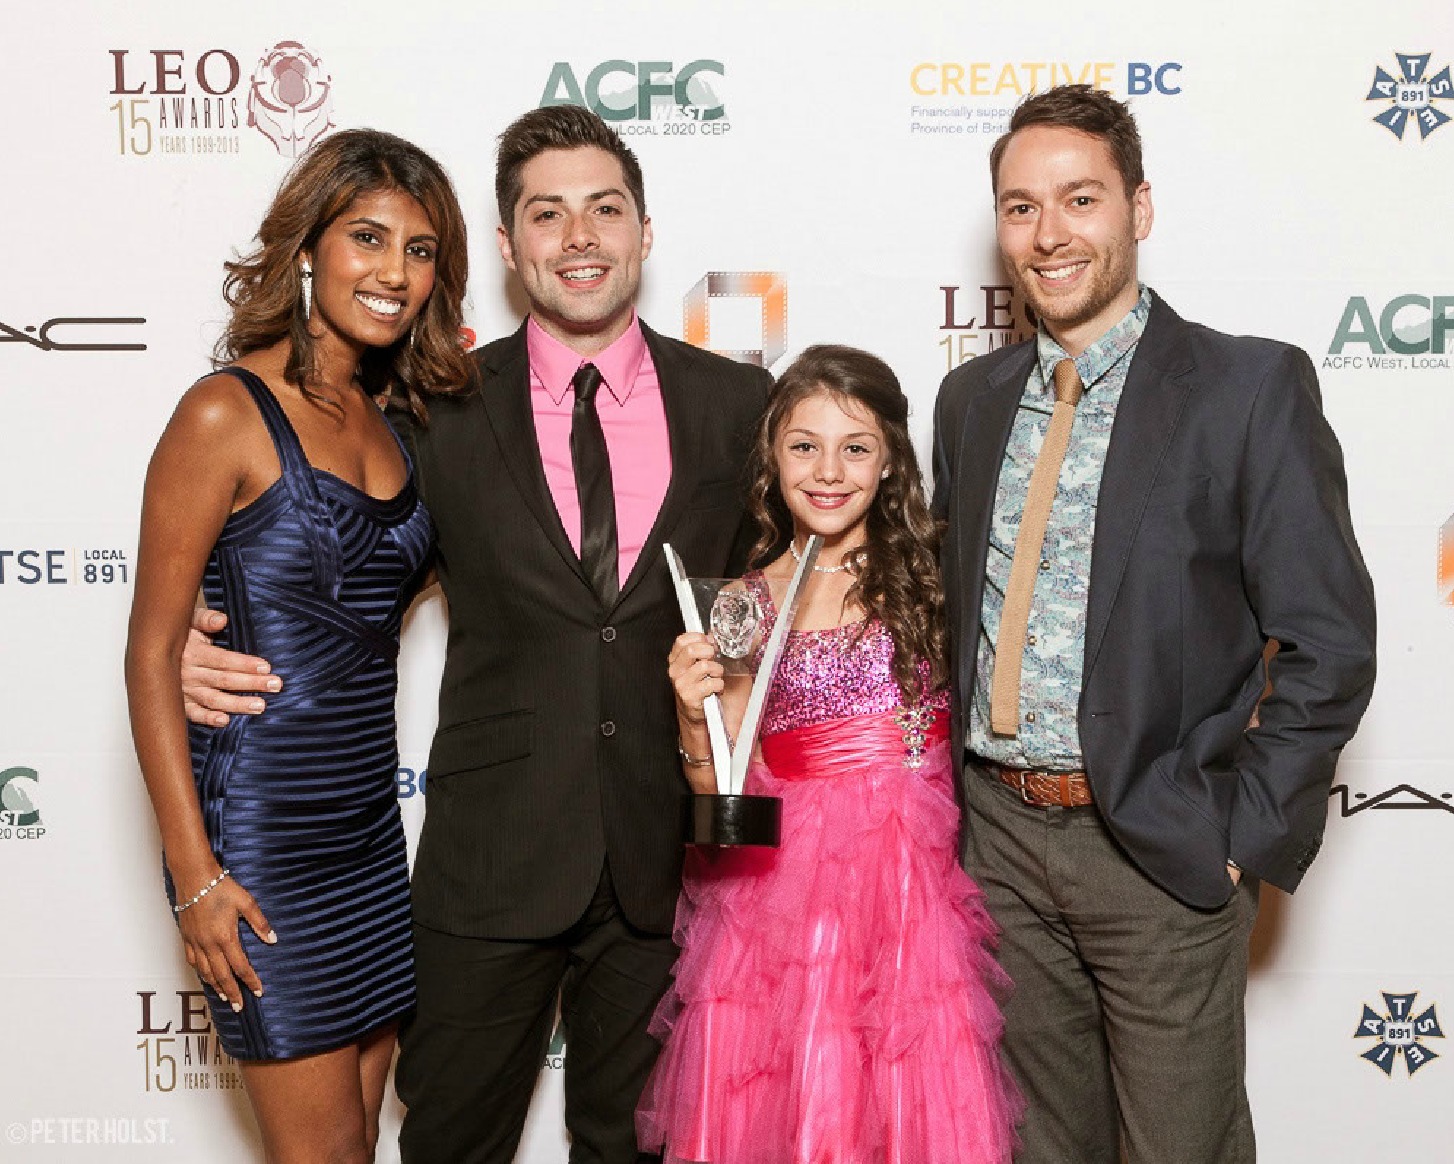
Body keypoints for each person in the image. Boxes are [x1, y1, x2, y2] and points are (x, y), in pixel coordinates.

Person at [180, 105, 773, 1163]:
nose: (578, 236)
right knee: (449, 1138)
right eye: (546, 214)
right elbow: (335, 555)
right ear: (507, 246)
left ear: (643, 229)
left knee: (634, 1145)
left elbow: (785, 591)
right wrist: (197, 629)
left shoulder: (738, 404)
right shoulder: (431, 406)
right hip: (489, 858)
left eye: (604, 209)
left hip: (662, 858)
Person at [931, 84, 1377, 1163]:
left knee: (1180, 1147)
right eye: (1019, 206)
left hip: (1160, 845)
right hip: (994, 842)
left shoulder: (1246, 387)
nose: (1047, 234)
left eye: (1077, 199)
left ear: (1137, 208)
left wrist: (1240, 838)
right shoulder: (971, 400)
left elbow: (1328, 640)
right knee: (1036, 1149)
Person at [125, 128, 471, 1162]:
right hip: (261, 846)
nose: (394, 272)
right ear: (309, 248)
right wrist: (194, 877)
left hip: (369, 837)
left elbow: (411, 586)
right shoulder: (223, 413)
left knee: (359, 1144)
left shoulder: (402, 423)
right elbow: (150, 654)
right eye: (368, 237)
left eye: (419, 251)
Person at [638, 345, 1021, 1164]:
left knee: (907, 1109)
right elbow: (721, 797)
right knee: (798, 1104)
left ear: (889, 463)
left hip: (908, 897)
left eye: (856, 447)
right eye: (804, 445)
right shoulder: (745, 599)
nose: (828, 471)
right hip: (780, 906)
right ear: (772, 458)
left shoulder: (935, 573)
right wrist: (689, 710)